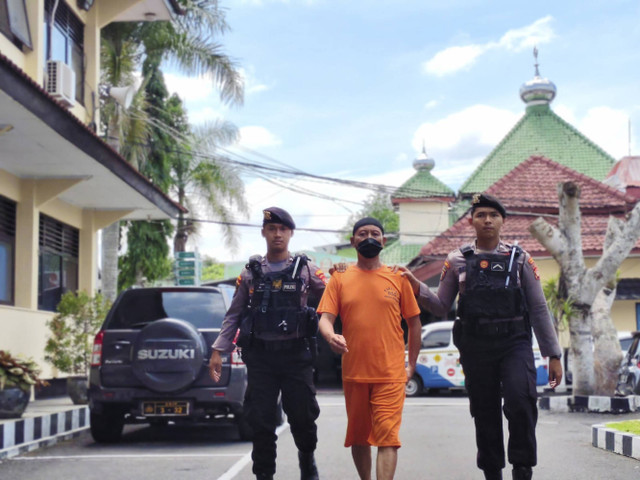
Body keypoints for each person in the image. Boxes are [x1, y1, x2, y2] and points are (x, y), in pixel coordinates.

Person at [398, 193, 563, 480]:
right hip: (476, 345)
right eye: (481, 215)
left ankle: (522, 469)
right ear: (471, 221)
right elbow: (440, 306)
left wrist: (554, 355)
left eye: (493, 215)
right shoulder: (456, 260)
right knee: (484, 411)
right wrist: (417, 286)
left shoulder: (520, 258)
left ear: (502, 221)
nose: (487, 220)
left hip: (514, 342)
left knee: (521, 401)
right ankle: (492, 472)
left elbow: (538, 308)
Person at [208, 207, 327, 480]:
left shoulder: (307, 269)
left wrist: (347, 276)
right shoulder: (251, 273)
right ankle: (264, 475)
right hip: (261, 358)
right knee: (260, 421)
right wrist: (217, 350)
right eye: (272, 229)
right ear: (263, 232)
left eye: (282, 229)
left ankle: (307, 460)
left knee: (303, 417)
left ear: (290, 233)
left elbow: (336, 294)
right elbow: (234, 314)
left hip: (297, 356)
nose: (277, 234)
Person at [317, 217, 422, 480]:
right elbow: (325, 319)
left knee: (388, 438)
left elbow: (414, 323)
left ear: (384, 241)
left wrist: (411, 365)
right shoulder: (340, 277)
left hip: (390, 373)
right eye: (362, 234)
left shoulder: (399, 278)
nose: (369, 238)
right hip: (354, 373)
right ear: (353, 242)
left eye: (375, 233)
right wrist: (331, 337)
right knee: (360, 438)